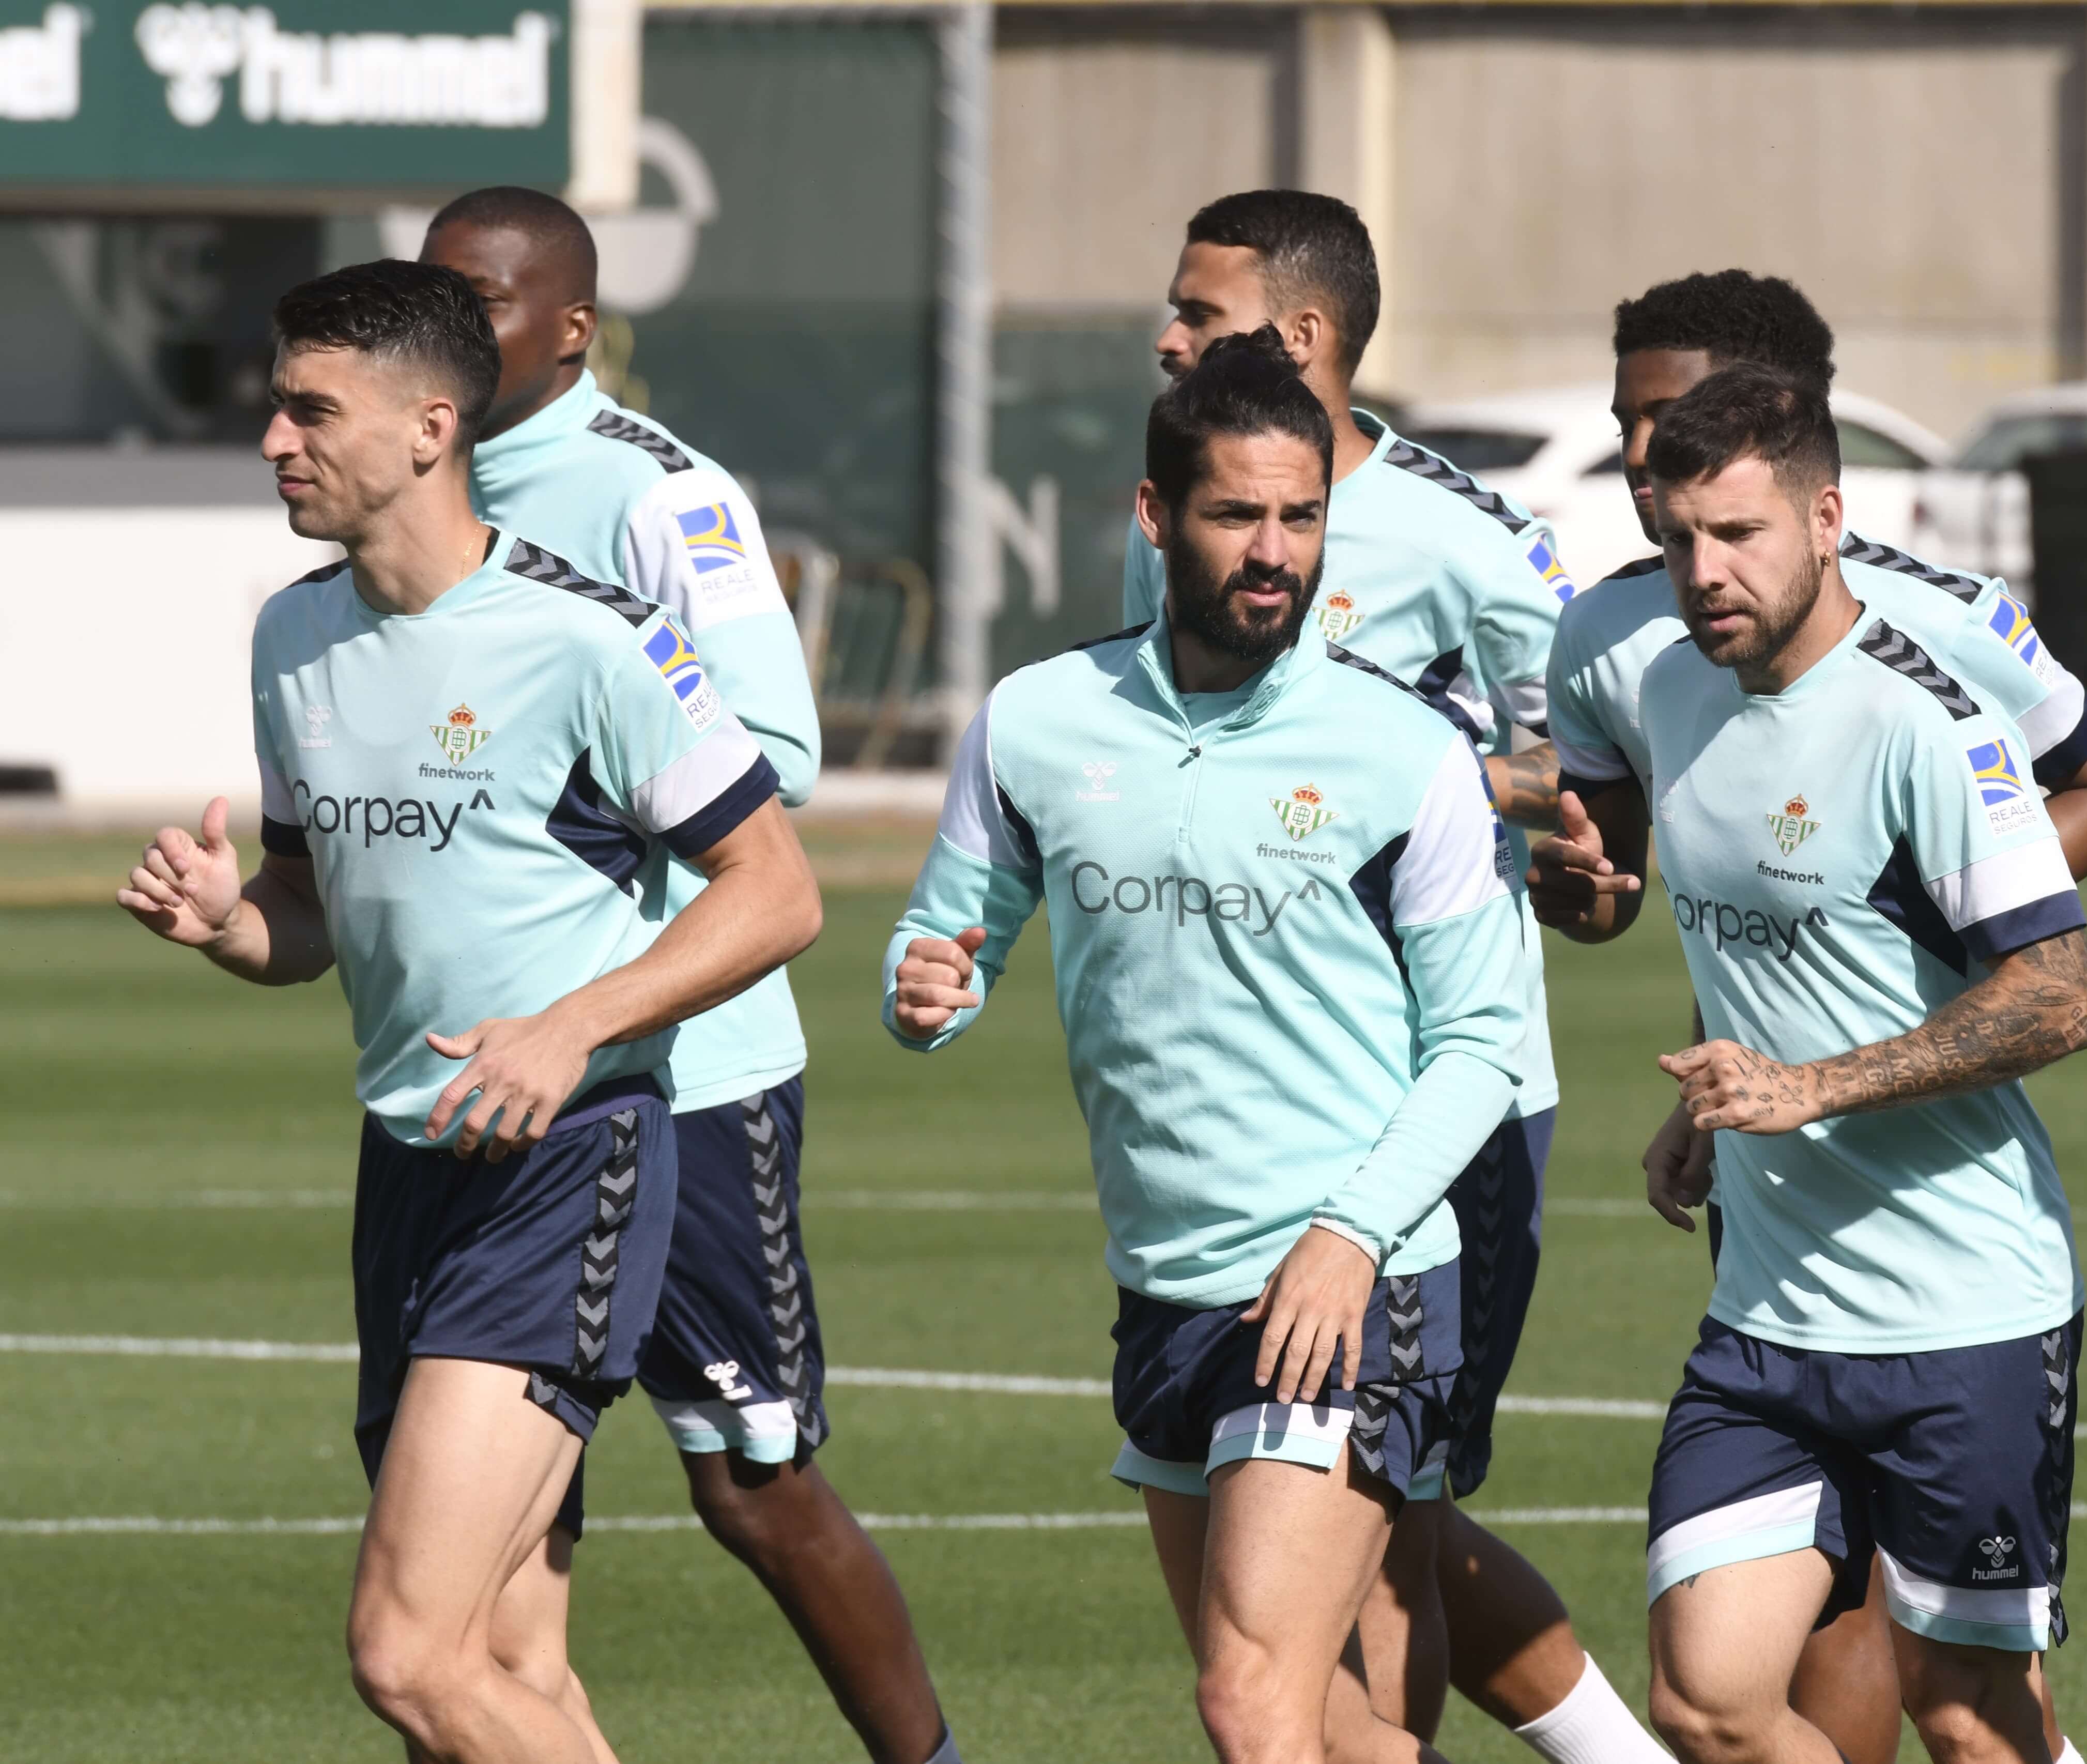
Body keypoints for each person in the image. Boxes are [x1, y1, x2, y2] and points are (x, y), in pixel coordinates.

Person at [116, 259, 821, 1764]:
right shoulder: (292, 638)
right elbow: (304, 919)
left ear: (432, 427)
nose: (274, 442)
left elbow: (776, 894)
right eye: (275, 405)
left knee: (407, 1652)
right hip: (411, 1169)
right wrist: (229, 921)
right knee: (502, 1665)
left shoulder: (596, 638)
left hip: (567, 1163)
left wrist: (572, 1027)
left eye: (313, 410)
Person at [1534, 269, 2087, 1764]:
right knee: (1710, 1703)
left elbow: (2060, 997)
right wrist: (1709, 1096)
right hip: (1768, 1317)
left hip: (1966, 1316)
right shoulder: (1665, 685)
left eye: (1735, 533)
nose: (1702, 569)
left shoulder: (1934, 724)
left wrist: (1815, 1078)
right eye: (1679, 537)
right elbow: (1729, 931)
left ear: (1823, 518)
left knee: (1966, 1714)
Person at [885, 328, 1520, 1763]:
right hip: (1166, 1286)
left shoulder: (1403, 749)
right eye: (1238, 513)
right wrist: (927, 986)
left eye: (1302, 516)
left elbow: (1484, 1044)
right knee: (1340, 1726)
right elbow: (949, 936)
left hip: (1350, 1285)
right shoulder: (1035, 722)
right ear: (1157, 516)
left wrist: (1349, 1236)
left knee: (1248, 1700)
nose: (1276, 551)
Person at [1120, 190, 1663, 1760]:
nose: (1166, 334)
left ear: (1301, 337)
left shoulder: (1466, 536)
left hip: (1439, 1101)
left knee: (1394, 1515)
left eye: (1195, 308)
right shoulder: (1187, 497)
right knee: (1357, 1529)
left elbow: (1582, 782)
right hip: (1237, 1104)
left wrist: (1474, 801)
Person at [418, 187, 958, 1764]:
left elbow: (773, 751)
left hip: (686, 1073)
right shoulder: (404, 482)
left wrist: (549, 787)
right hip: (489, 1080)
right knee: (478, 1546)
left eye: (486, 303)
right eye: (431, 297)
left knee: (751, 1480)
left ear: (571, 328)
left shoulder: (659, 498)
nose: (452, 328)